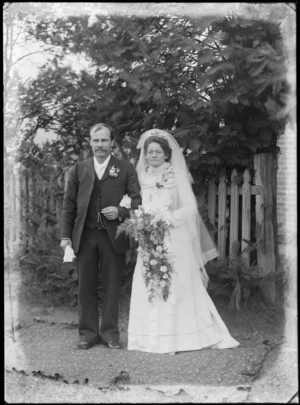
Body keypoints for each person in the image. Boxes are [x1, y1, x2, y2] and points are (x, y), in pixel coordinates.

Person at [127, 129, 239, 354]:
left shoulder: (176, 174)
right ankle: (149, 338)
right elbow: (137, 204)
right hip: (150, 238)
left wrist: (167, 219)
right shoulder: (142, 175)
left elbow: (190, 208)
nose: (153, 156)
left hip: (175, 237)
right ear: (145, 155)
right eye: (150, 152)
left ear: (167, 154)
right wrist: (143, 221)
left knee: (176, 285)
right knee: (149, 283)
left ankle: (178, 339)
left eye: (158, 152)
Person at [60, 123, 141, 350]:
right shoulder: (79, 169)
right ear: (90, 143)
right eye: (96, 141)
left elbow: (136, 200)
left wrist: (121, 211)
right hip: (85, 237)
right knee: (85, 286)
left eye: (104, 140)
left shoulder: (125, 168)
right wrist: (65, 236)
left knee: (112, 285)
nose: (100, 145)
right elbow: (68, 205)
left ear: (112, 142)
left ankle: (110, 334)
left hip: (113, 236)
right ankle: (87, 334)